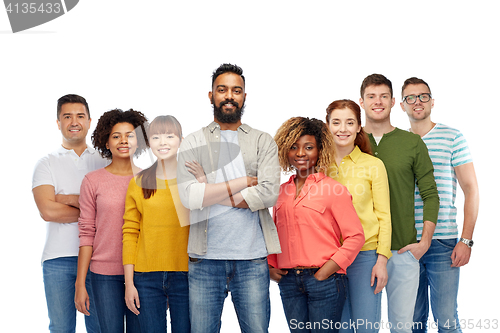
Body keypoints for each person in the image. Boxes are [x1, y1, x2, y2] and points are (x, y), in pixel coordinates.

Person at [176, 63, 281, 333]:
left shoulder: (263, 141)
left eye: (236, 90)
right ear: (211, 95)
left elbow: (268, 193)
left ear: (244, 96)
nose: (229, 96)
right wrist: (244, 183)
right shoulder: (192, 141)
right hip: (205, 261)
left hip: (252, 260)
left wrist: (208, 187)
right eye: (222, 90)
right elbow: (189, 197)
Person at [359, 74, 440, 333]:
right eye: (371, 96)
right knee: (362, 327)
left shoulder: (411, 143)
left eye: (384, 96)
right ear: (361, 101)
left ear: (394, 101)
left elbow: (430, 194)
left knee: (403, 328)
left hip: (403, 250)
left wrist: (424, 242)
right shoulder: (350, 141)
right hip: (361, 251)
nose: (378, 101)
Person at [269, 116, 365, 333]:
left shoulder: (334, 189)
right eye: (294, 147)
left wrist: (326, 271)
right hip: (289, 282)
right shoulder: (280, 192)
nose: (300, 153)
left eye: (308, 147)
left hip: (325, 281)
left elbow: (356, 236)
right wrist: (270, 266)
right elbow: (273, 232)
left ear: (320, 150)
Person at [400, 77, 479, 333]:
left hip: (444, 242)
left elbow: (471, 190)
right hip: (406, 243)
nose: (417, 102)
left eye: (423, 96)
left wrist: (466, 241)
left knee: (446, 320)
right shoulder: (398, 142)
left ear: (432, 101)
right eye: (410, 98)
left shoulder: (452, 137)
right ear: (402, 105)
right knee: (412, 321)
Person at [32, 94, 104, 333]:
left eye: (80, 116)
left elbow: (114, 210)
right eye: (67, 116)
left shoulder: (105, 161)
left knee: (101, 327)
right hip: (58, 259)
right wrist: (93, 208)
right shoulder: (46, 163)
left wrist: (67, 199)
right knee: (61, 328)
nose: (74, 121)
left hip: (99, 258)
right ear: (58, 122)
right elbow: (48, 210)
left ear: (90, 120)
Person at [75, 109, 147, 333]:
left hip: (143, 273)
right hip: (104, 275)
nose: (123, 140)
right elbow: (87, 232)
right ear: (106, 142)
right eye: (116, 136)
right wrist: (80, 283)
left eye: (130, 135)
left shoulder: (151, 179)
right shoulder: (92, 181)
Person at [325, 100, 391, 333]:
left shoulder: (373, 165)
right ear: (327, 125)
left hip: (365, 257)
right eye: (336, 122)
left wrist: (381, 260)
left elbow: (384, 216)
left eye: (349, 122)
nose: (343, 129)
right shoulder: (318, 167)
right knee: (339, 329)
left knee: (366, 328)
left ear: (358, 127)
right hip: (330, 259)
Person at [122, 115, 190, 333]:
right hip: (146, 277)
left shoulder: (194, 180)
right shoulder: (139, 182)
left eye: (170, 136)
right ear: (149, 142)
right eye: (156, 137)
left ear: (181, 139)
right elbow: (130, 233)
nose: (163, 142)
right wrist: (129, 283)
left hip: (187, 274)